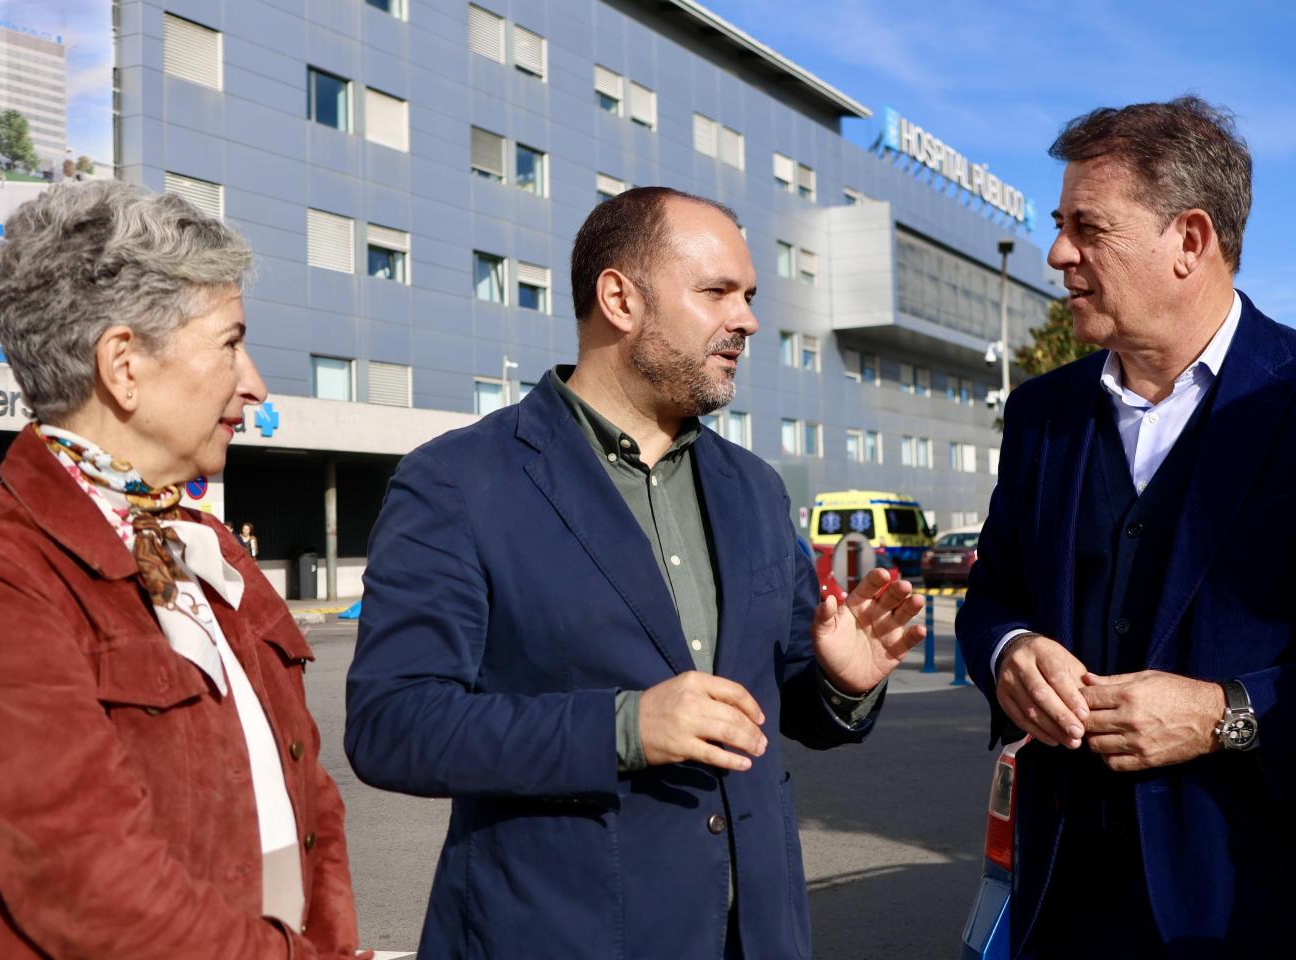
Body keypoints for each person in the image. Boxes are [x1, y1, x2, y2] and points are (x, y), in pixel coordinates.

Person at [956, 96, 1296, 956]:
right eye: (1059, 226)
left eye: (1088, 228)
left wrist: (1225, 713)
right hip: (1070, 906)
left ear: (1190, 240)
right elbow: (992, 598)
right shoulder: (1041, 415)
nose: (1059, 253)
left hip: (1284, 913)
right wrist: (1009, 650)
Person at [344, 186, 927, 959]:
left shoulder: (754, 489)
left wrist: (840, 683)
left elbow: (781, 707)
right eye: (717, 291)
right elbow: (393, 726)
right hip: (560, 938)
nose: (747, 320)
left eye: (750, 296)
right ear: (619, 299)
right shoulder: (458, 480)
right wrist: (623, 728)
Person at [0, 181, 361, 956]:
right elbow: (94, 888)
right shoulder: (1, 576)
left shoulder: (207, 548)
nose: (254, 384)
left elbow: (312, 800)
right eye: (230, 343)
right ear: (123, 365)